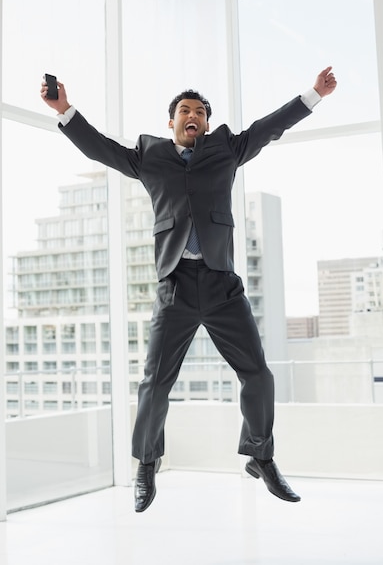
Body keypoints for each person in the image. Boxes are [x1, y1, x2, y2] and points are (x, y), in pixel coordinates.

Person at [40, 67, 337, 512]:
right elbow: (100, 148)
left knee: (258, 374)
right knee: (154, 384)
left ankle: (261, 455)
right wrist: (64, 110)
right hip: (175, 286)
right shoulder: (149, 156)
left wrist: (314, 94)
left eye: (200, 111)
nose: (192, 115)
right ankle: (146, 464)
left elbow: (270, 127)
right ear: (172, 121)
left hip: (222, 284)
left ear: (207, 122)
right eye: (185, 110)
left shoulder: (226, 149)